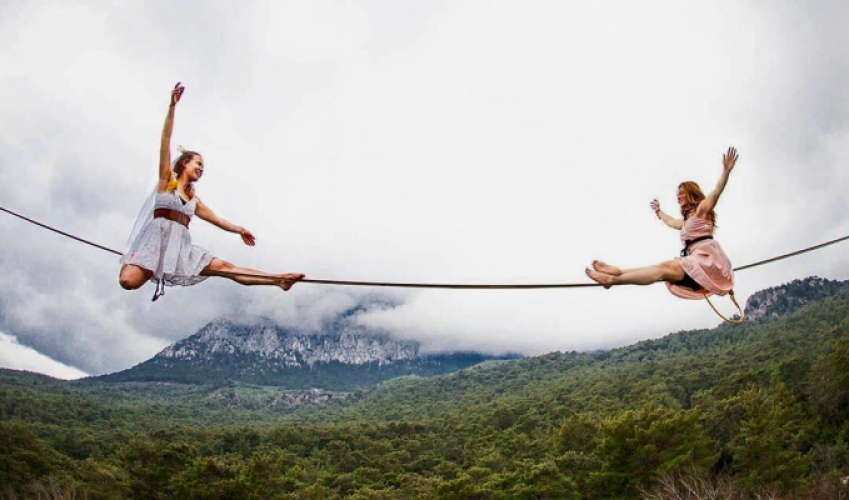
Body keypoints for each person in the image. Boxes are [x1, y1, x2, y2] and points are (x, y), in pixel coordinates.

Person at [119, 83, 305, 300]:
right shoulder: (165, 182)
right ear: (184, 164)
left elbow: (217, 220)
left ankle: (279, 280)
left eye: (203, 166)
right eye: (197, 163)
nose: (201, 168)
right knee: (127, 282)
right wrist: (172, 107)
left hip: (180, 250)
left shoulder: (193, 201)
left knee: (225, 267)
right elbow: (165, 141)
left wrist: (240, 230)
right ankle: (131, 261)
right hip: (153, 245)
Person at [586, 147, 738, 300]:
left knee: (661, 268)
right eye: (677, 194)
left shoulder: (702, 212)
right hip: (694, 263)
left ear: (691, 193)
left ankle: (612, 280)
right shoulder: (685, 222)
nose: (678, 197)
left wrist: (725, 171)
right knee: (658, 268)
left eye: (681, 193)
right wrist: (659, 212)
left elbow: (716, 192)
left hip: (708, 263)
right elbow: (670, 221)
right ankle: (617, 272)